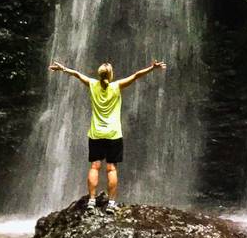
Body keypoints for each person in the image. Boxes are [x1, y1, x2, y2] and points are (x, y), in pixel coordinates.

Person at [48, 58, 167, 212]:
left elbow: (77, 74)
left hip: (96, 133)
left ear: (99, 75)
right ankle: (111, 203)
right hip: (113, 134)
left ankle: (91, 201)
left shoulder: (92, 84)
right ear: (111, 75)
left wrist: (63, 69)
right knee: (111, 168)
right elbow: (136, 75)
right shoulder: (116, 86)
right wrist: (152, 68)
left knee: (95, 167)